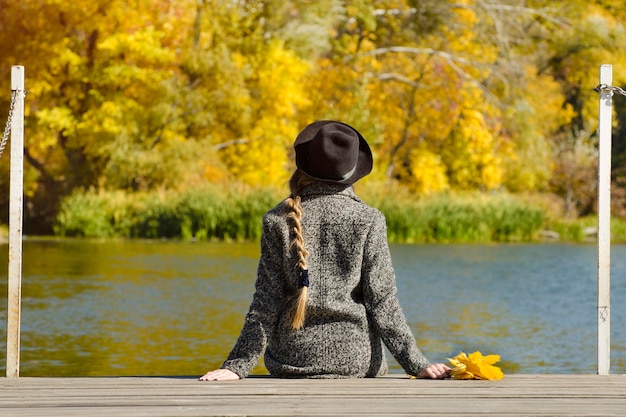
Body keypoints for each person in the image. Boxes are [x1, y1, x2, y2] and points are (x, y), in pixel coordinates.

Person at [200, 120, 450, 381]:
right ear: (353, 170)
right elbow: (382, 303)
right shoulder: (368, 219)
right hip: (356, 363)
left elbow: (266, 301)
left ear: (304, 164)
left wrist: (236, 366)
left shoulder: (277, 220)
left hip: (292, 363)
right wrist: (416, 364)